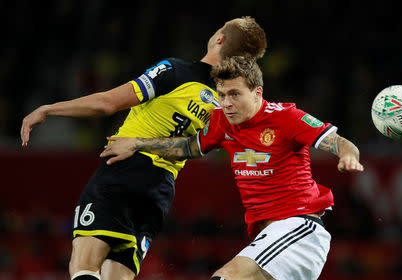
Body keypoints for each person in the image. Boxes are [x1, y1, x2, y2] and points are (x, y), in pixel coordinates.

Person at [20, 18, 267, 280]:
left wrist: (49, 109)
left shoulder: (175, 71)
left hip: (125, 169)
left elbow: (107, 103)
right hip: (160, 190)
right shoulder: (230, 101)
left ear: (219, 39)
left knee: (84, 266)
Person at [100, 56, 364, 280]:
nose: (226, 103)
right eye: (222, 94)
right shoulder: (223, 122)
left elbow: (340, 142)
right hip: (269, 236)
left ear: (257, 92)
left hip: (299, 230)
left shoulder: (286, 118)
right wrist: (137, 143)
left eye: (235, 94)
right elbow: (189, 147)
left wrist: (347, 156)